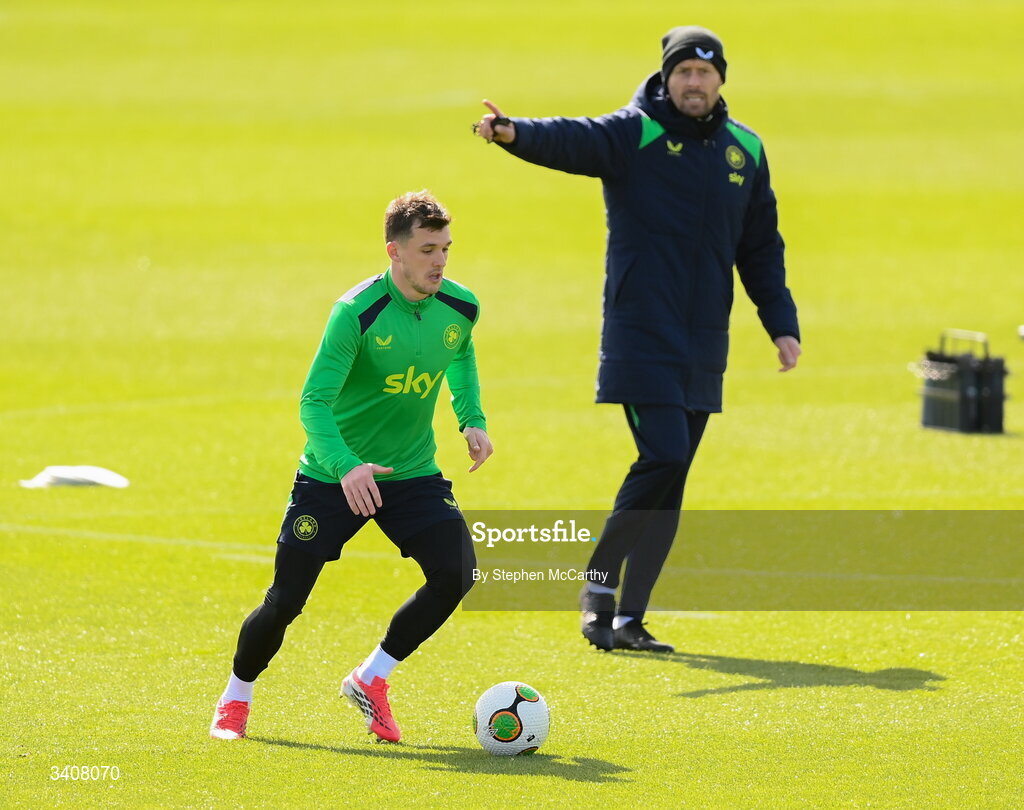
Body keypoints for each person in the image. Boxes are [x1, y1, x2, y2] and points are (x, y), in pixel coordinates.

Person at [473, 26, 801, 653]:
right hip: (640, 335)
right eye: (683, 73)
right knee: (666, 457)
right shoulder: (635, 133)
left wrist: (780, 322)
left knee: (671, 484)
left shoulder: (745, 150)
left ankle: (630, 620)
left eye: (705, 73)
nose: (694, 83)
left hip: (704, 340)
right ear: (667, 78)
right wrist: (514, 134)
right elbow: (575, 139)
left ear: (721, 79)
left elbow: (761, 245)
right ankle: (598, 588)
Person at [210, 191, 493, 742]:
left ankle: (371, 677)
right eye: (428, 250)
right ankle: (236, 696)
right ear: (395, 251)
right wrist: (346, 466)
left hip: (411, 472)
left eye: (446, 249)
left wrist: (471, 418)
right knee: (286, 600)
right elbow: (312, 402)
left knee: (457, 573)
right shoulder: (356, 312)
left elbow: (460, 353)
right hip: (332, 477)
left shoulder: (461, 307)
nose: (439, 261)